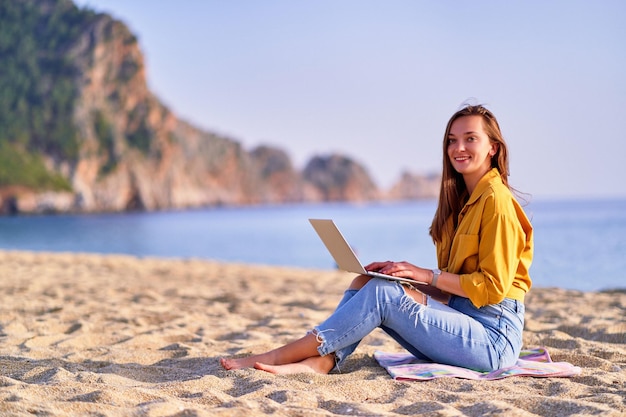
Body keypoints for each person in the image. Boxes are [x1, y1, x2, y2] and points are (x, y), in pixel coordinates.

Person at [220, 104, 533, 375]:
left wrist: (424, 274)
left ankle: (275, 355)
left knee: (383, 295)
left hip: (492, 339)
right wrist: (404, 275)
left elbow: (491, 288)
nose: (458, 147)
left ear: (493, 147)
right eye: (452, 140)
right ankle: (323, 361)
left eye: (470, 139)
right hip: (461, 321)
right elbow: (455, 287)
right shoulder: (460, 203)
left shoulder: (497, 201)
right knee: (364, 283)